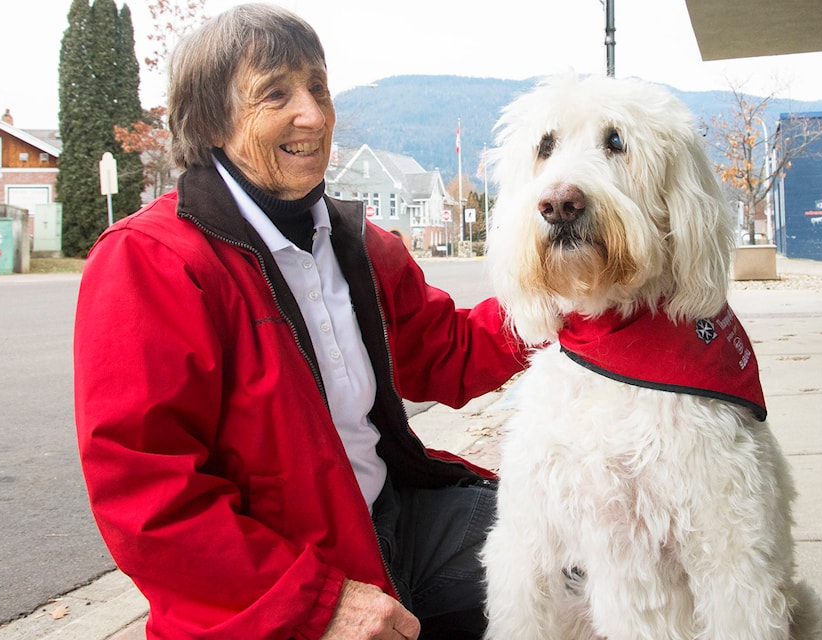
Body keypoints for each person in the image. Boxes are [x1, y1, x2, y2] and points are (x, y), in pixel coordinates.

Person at [73, 4, 530, 639]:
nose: (312, 114)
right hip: (277, 586)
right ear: (211, 120)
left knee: (578, 554)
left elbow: (445, 351)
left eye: (318, 86)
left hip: (394, 518)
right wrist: (320, 604)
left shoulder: (358, 245)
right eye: (275, 94)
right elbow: (148, 496)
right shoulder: (150, 262)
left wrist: (554, 302)